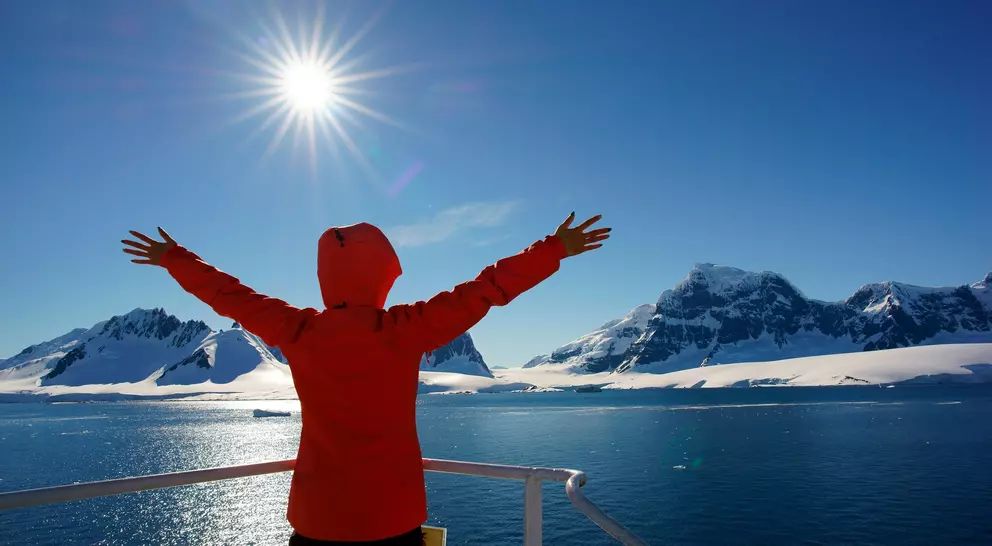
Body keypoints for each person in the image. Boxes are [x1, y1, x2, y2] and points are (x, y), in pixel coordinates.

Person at [121, 213, 610, 545]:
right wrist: (553, 249)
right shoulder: (404, 329)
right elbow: (485, 289)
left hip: (316, 522)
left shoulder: (296, 328)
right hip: (392, 521)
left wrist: (174, 258)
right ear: (383, 276)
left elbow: (228, 294)